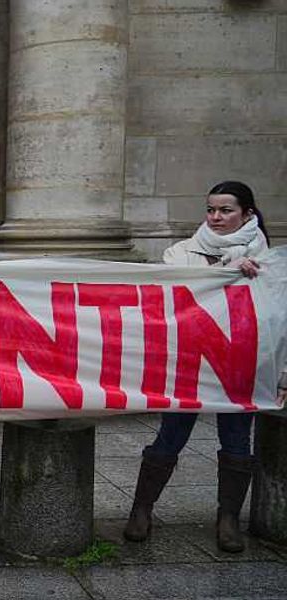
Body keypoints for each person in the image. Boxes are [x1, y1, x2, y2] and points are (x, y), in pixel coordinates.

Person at [123, 180, 276, 554]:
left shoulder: (271, 262)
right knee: (170, 436)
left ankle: (228, 521)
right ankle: (141, 511)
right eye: (211, 210)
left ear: (247, 213)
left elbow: (278, 323)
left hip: (242, 365)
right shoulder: (182, 252)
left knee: (237, 442)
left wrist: (282, 375)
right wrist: (227, 269)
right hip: (190, 364)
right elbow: (174, 289)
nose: (216, 217)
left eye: (226, 210)